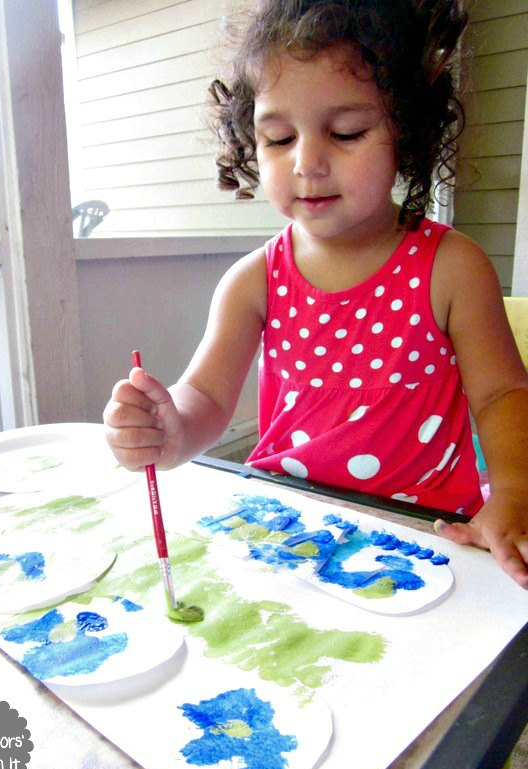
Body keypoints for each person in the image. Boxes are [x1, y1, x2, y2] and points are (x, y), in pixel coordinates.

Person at [103, 0, 528, 588]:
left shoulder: (453, 268)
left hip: (427, 538)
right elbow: (204, 393)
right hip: (286, 531)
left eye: (346, 131)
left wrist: (516, 490)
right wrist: (170, 427)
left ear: (406, 129)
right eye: (278, 138)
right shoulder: (252, 281)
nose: (307, 162)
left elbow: (504, 393)